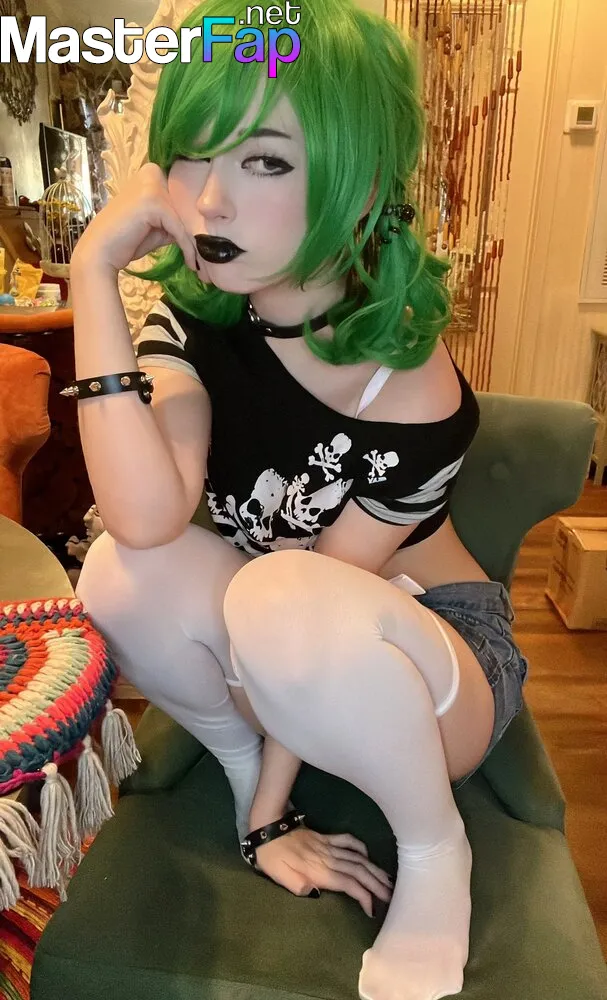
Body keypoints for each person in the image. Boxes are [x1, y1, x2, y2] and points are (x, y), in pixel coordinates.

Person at [69, 0, 529, 997]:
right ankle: (245, 769)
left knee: (279, 595)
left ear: (359, 185)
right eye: (190, 156)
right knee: (119, 569)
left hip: (434, 666)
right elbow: (146, 518)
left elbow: (323, 585)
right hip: (286, 644)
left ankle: (433, 847)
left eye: (265, 161)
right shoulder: (198, 324)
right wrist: (93, 272)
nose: (210, 201)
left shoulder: (409, 383)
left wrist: (276, 813)